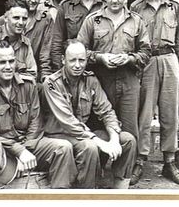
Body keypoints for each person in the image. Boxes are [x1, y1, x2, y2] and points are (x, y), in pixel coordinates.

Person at [0, 39, 77, 188]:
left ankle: (59, 197)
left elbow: (36, 122)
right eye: (2, 62)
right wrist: (18, 152)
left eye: (11, 61)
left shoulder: (28, 85)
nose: (8, 67)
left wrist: (25, 150)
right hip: (2, 151)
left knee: (63, 148)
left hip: (30, 144)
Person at [43, 40, 137, 189]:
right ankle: (87, 194)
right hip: (59, 136)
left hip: (83, 135)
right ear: (63, 60)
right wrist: (99, 142)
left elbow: (106, 111)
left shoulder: (90, 80)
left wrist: (113, 139)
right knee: (90, 146)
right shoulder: (51, 84)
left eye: (82, 60)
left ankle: (120, 193)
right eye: (72, 60)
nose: (78, 65)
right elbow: (68, 123)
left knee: (127, 140)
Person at [130, 0, 179, 185]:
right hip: (146, 62)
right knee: (144, 113)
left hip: (169, 59)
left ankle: (169, 162)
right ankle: (140, 160)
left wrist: (170, 58)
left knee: (170, 112)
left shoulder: (175, 4)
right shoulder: (136, 7)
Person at [77, 0, 151, 140]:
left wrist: (129, 59)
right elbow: (79, 52)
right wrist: (100, 58)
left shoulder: (137, 21)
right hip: (100, 82)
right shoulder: (92, 21)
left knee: (129, 132)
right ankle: (99, 165)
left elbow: (146, 52)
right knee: (99, 129)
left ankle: (126, 166)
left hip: (129, 82)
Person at [0, 0, 53, 82]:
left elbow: (45, 53)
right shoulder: (2, 21)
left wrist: (45, 76)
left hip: (29, 73)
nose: (33, 0)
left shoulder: (45, 19)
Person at [51, 0, 105, 72]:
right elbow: (56, 44)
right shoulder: (65, 6)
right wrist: (62, 71)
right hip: (73, 67)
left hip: (100, 70)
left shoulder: (105, 6)